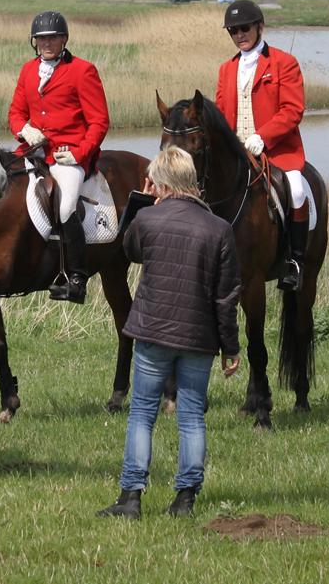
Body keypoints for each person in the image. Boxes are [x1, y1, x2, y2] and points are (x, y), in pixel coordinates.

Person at [97, 146, 241, 519]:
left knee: (142, 414)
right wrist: (231, 348)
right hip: (200, 337)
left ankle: (130, 498)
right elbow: (226, 297)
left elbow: (128, 249)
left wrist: (143, 201)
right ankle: (185, 499)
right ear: (191, 180)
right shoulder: (220, 229)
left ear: (158, 182)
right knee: (192, 416)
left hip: (152, 332)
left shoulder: (148, 221)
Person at [8, 10, 110, 304]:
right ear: (34, 41)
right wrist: (25, 130)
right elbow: (15, 113)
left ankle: (77, 278)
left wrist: (78, 153)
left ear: (64, 39)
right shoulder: (28, 70)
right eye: (41, 39)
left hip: (69, 155)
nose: (47, 43)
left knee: (65, 208)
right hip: (33, 151)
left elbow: (99, 122)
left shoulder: (83, 70)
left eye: (52, 37)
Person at [214, 0, 310, 291]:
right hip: (238, 156)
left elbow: (293, 110)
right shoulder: (226, 69)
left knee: (295, 191)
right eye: (233, 31)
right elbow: (220, 116)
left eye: (244, 28)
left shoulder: (284, 63)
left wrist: (263, 136)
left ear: (259, 27)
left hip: (278, 152)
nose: (239, 35)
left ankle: (294, 261)